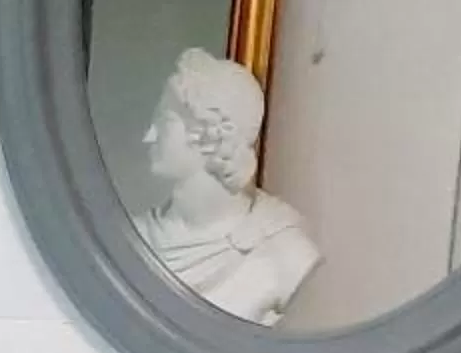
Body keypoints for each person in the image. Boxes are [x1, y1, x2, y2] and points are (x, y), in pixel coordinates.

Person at [134, 49, 321, 326]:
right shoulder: (133, 238)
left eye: (165, 122)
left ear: (211, 135)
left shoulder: (285, 257)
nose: (148, 136)